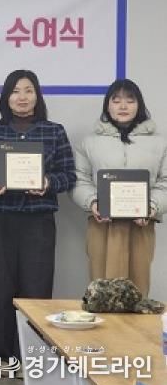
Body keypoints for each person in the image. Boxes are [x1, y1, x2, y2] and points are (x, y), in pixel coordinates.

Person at [0, 70, 76, 377]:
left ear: (37, 96)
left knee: (37, 291)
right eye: (15, 91)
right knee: (0, 290)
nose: (22, 97)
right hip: (0, 219)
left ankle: (32, 358)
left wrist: (47, 183)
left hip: (38, 222)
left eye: (28, 90)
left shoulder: (54, 131)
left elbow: (68, 175)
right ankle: (4, 356)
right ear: (6, 97)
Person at [72, 79, 167, 297]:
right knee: (101, 292)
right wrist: (93, 202)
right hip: (101, 224)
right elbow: (79, 179)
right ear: (107, 105)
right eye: (116, 100)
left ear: (139, 105)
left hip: (142, 224)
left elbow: (165, 182)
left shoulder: (160, 143)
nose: (123, 106)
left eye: (130, 100)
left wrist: (151, 207)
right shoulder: (89, 142)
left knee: (137, 292)